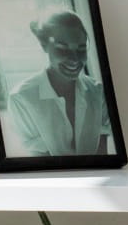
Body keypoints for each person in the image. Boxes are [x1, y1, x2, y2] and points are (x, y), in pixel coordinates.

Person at [6, 9, 112, 156]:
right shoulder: (21, 98)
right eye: (62, 48)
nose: (74, 58)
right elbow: (41, 164)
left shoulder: (98, 92)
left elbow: (102, 157)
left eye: (81, 49)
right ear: (44, 46)